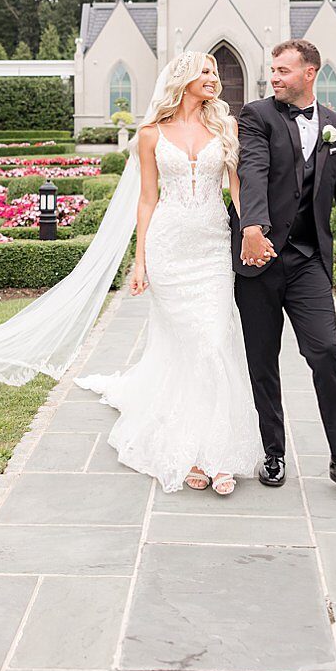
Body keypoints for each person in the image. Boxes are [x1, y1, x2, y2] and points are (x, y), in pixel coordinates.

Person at [75, 51, 262, 494]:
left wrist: (252, 233)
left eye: (215, 72)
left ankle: (220, 453)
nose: (213, 78)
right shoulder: (150, 134)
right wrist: (139, 261)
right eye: (204, 71)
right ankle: (194, 453)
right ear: (182, 79)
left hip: (213, 247)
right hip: (169, 249)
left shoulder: (226, 127)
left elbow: (237, 190)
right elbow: (146, 199)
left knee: (214, 342)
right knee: (187, 347)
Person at [231, 38, 336, 499]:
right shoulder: (256, 116)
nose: (273, 77)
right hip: (257, 260)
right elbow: (252, 170)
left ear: (309, 73)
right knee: (262, 361)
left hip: (308, 261)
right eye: (271, 70)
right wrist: (252, 226)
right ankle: (273, 452)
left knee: (326, 352)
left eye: (282, 70)